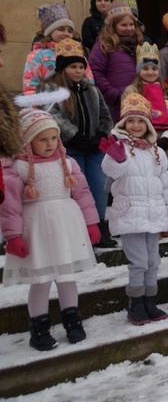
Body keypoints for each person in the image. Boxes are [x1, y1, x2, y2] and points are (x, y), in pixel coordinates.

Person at [1, 102, 101, 351]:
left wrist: (91, 222)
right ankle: (39, 328)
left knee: (66, 278)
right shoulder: (18, 167)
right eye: (42, 139)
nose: (50, 143)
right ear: (27, 141)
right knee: (41, 280)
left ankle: (72, 320)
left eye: (54, 137)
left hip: (66, 227)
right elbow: (10, 204)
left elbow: (83, 193)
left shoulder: (68, 164)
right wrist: (13, 235)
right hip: (36, 230)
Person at [99, 94, 168, 323]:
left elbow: (166, 184)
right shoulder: (119, 148)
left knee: (153, 261)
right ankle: (135, 304)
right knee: (139, 262)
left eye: (141, 121)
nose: (136, 126)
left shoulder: (157, 152)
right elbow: (111, 171)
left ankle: (149, 302)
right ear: (124, 124)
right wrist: (116, 158)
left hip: (153, 215)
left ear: (148, 125)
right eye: (131, 121)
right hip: (130, 215)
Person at [43, 38, 114, 248]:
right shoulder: (53, 91)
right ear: (63, 69)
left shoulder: (92, 91)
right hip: (71, 149)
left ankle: (99, 227)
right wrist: (74, 136)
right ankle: (78, 230)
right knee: (75, 190)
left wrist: (101, 135)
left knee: (99, 188)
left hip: (94, 148)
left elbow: (105, 115)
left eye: (81, 66)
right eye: (73, 66)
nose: (78, 71)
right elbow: (53, 116)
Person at [124, 42, 168, 166]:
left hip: (167, 148)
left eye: (154, 69)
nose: (150, 72)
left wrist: (167, 139)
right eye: (145, 68)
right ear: (139, 70)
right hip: (140, 145)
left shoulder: (167, 92)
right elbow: (127, 117)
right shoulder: (131, 91)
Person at [89, 0, 142, 122]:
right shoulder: (104, 45)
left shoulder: (139, 44)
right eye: (123, 25)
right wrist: (113, 93)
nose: (129, 28)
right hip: (116, 103)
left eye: (131, 24)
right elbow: (95, 71)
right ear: (113, 26)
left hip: (138, 100)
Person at [22, 3, 95, 94]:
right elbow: (30, 86)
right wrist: (36, 106)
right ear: (50, 32)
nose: (66, 33)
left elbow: (89, 81)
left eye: (70, 31)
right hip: (49, 104)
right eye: (61, 29)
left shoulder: (77, 53)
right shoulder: (37, 55)